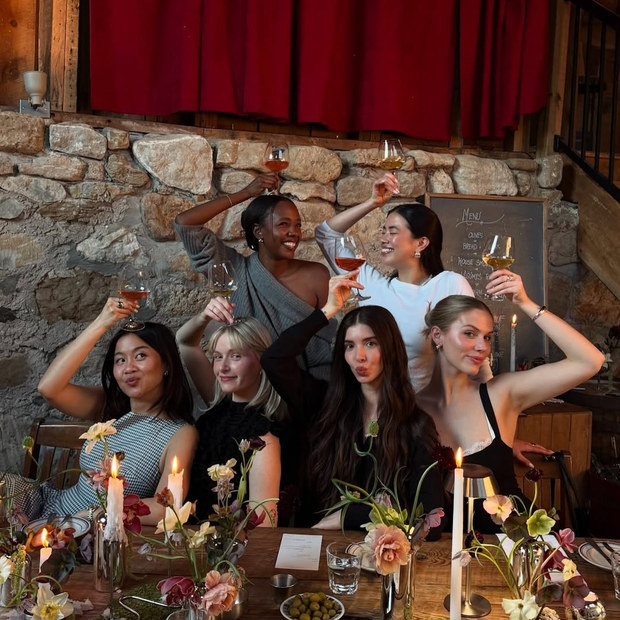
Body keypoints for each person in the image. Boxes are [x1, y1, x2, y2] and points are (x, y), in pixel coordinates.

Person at [314, 174, 552, 468]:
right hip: (378, 418)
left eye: (392, 231)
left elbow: (476, 362)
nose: (383, 238)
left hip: (428, 422)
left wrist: (498, 436)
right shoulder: (371, 286)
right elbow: (326, 234)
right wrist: (373, 202)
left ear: (421, 242)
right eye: (383, 230)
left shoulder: (449, 284)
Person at [416, 270, 605, 531]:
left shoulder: (500, 394)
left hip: (514, 542)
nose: (482, 347)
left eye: (487, 337)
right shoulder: (408, 408)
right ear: (437, 335)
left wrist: (524, 303)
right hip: (440, 549)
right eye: (469, 333)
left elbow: (590, 361)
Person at [260, 272, 444, 534]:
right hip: (315, 544)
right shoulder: (324, 405)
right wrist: (327, 310)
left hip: (381, 554)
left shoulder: (415, 425)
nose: (359, 356)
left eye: (370, 343)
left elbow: (431, 519)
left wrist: (350, 515)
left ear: (389, 348)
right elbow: (273, 360)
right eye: (349, 346)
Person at [20, 298, 198, 525]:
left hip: (82, 531)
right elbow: (49, 388)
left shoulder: (180, 433)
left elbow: (166, 507)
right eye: (120, 360)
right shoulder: (110, 406)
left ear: (166, 364)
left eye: (140, 356)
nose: (128, 368)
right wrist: (101, 323)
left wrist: (99, 513)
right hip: (46, 505)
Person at [175, 173, 335, 381]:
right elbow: (185, 223)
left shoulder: (317, 275)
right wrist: (246, 193)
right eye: (283, 224)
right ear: (258, 232)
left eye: (297, 225)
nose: (294, 232)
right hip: (251, 386)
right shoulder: (234, 269)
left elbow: (325, 342)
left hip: (307, 387)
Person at [176, 302, 284, 525]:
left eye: (235, 356)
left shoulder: (263, 437)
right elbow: (184, 341)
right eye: (218, 356)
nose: (223, 368)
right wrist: (205, 316)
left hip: (228, 543)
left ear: (262, 361)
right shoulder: (217, 407)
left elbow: (264, 525)